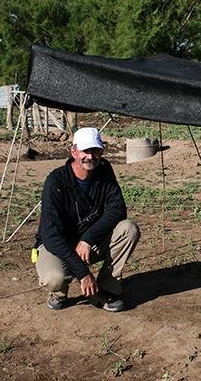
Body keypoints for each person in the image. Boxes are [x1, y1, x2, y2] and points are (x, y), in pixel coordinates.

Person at [35, 127, 140, 312]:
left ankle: (106, 288)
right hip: (58, 246)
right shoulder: (56, 181)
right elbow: (50, 235)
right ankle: (59, 292)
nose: (90, 157)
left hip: (88, 243)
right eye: (85, 151)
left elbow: (118, 209)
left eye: (95, 150)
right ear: (73, 152)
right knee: (54, 278)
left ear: (102, 152)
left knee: (128, 229)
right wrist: (84, 274)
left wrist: (87, 238)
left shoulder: (104, 169)